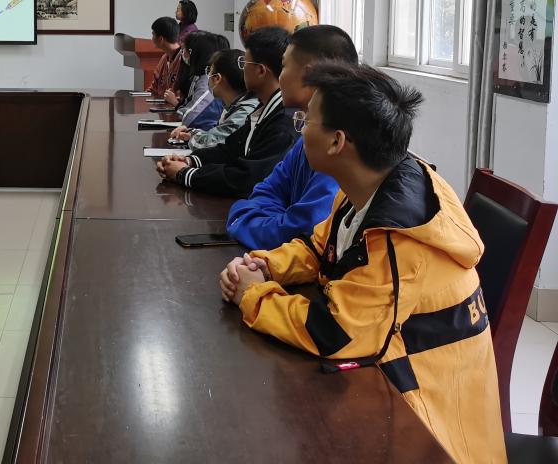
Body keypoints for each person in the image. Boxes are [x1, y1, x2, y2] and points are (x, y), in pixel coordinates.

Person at [219, 63, 505, 464]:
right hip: (387, 385)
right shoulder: (370, 184)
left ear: (337, 142)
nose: (300, 130)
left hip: (426, 429)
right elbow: (321, 246)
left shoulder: (398, 235)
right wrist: (265, 265)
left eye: (306, 121)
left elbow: (337, 335)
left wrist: (254, 295)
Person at [225, 25, 358, 250]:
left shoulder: (340, 149)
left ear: (308, 75)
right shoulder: (307, 138)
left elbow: (300, 233)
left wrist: (244, 216)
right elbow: (265, 191)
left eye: (284, 66)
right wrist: (274, 221)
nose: (280, 76)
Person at [156, 27, 295, 197]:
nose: (241, 70)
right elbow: (229, 149)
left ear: (260, 71)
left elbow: (246, 179)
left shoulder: (283, 121)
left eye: (245, 64)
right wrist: (189, 160)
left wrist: (184, 173)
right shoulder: (264, 109)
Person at [169, 49, 259, 149]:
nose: (208, 77)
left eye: (210, 72)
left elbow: (211, 144)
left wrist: (193, 137)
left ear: (217, 78)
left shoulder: (244, 113)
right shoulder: (233, 106)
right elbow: (218, 134)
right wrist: (191, 133)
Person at [172, 31, 226, 130]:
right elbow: (189, 105)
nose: (184, 53)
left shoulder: (207, 80)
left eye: (187, 50)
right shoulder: (199, 77)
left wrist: (178, 107)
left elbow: (192, 118)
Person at [147, 16, 186, 100]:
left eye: (153, 34)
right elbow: (153, 89)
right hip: (162, 106)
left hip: (176, 107)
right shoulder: (164, 58)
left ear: (161, 39)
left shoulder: (185, 59)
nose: (152, 38)